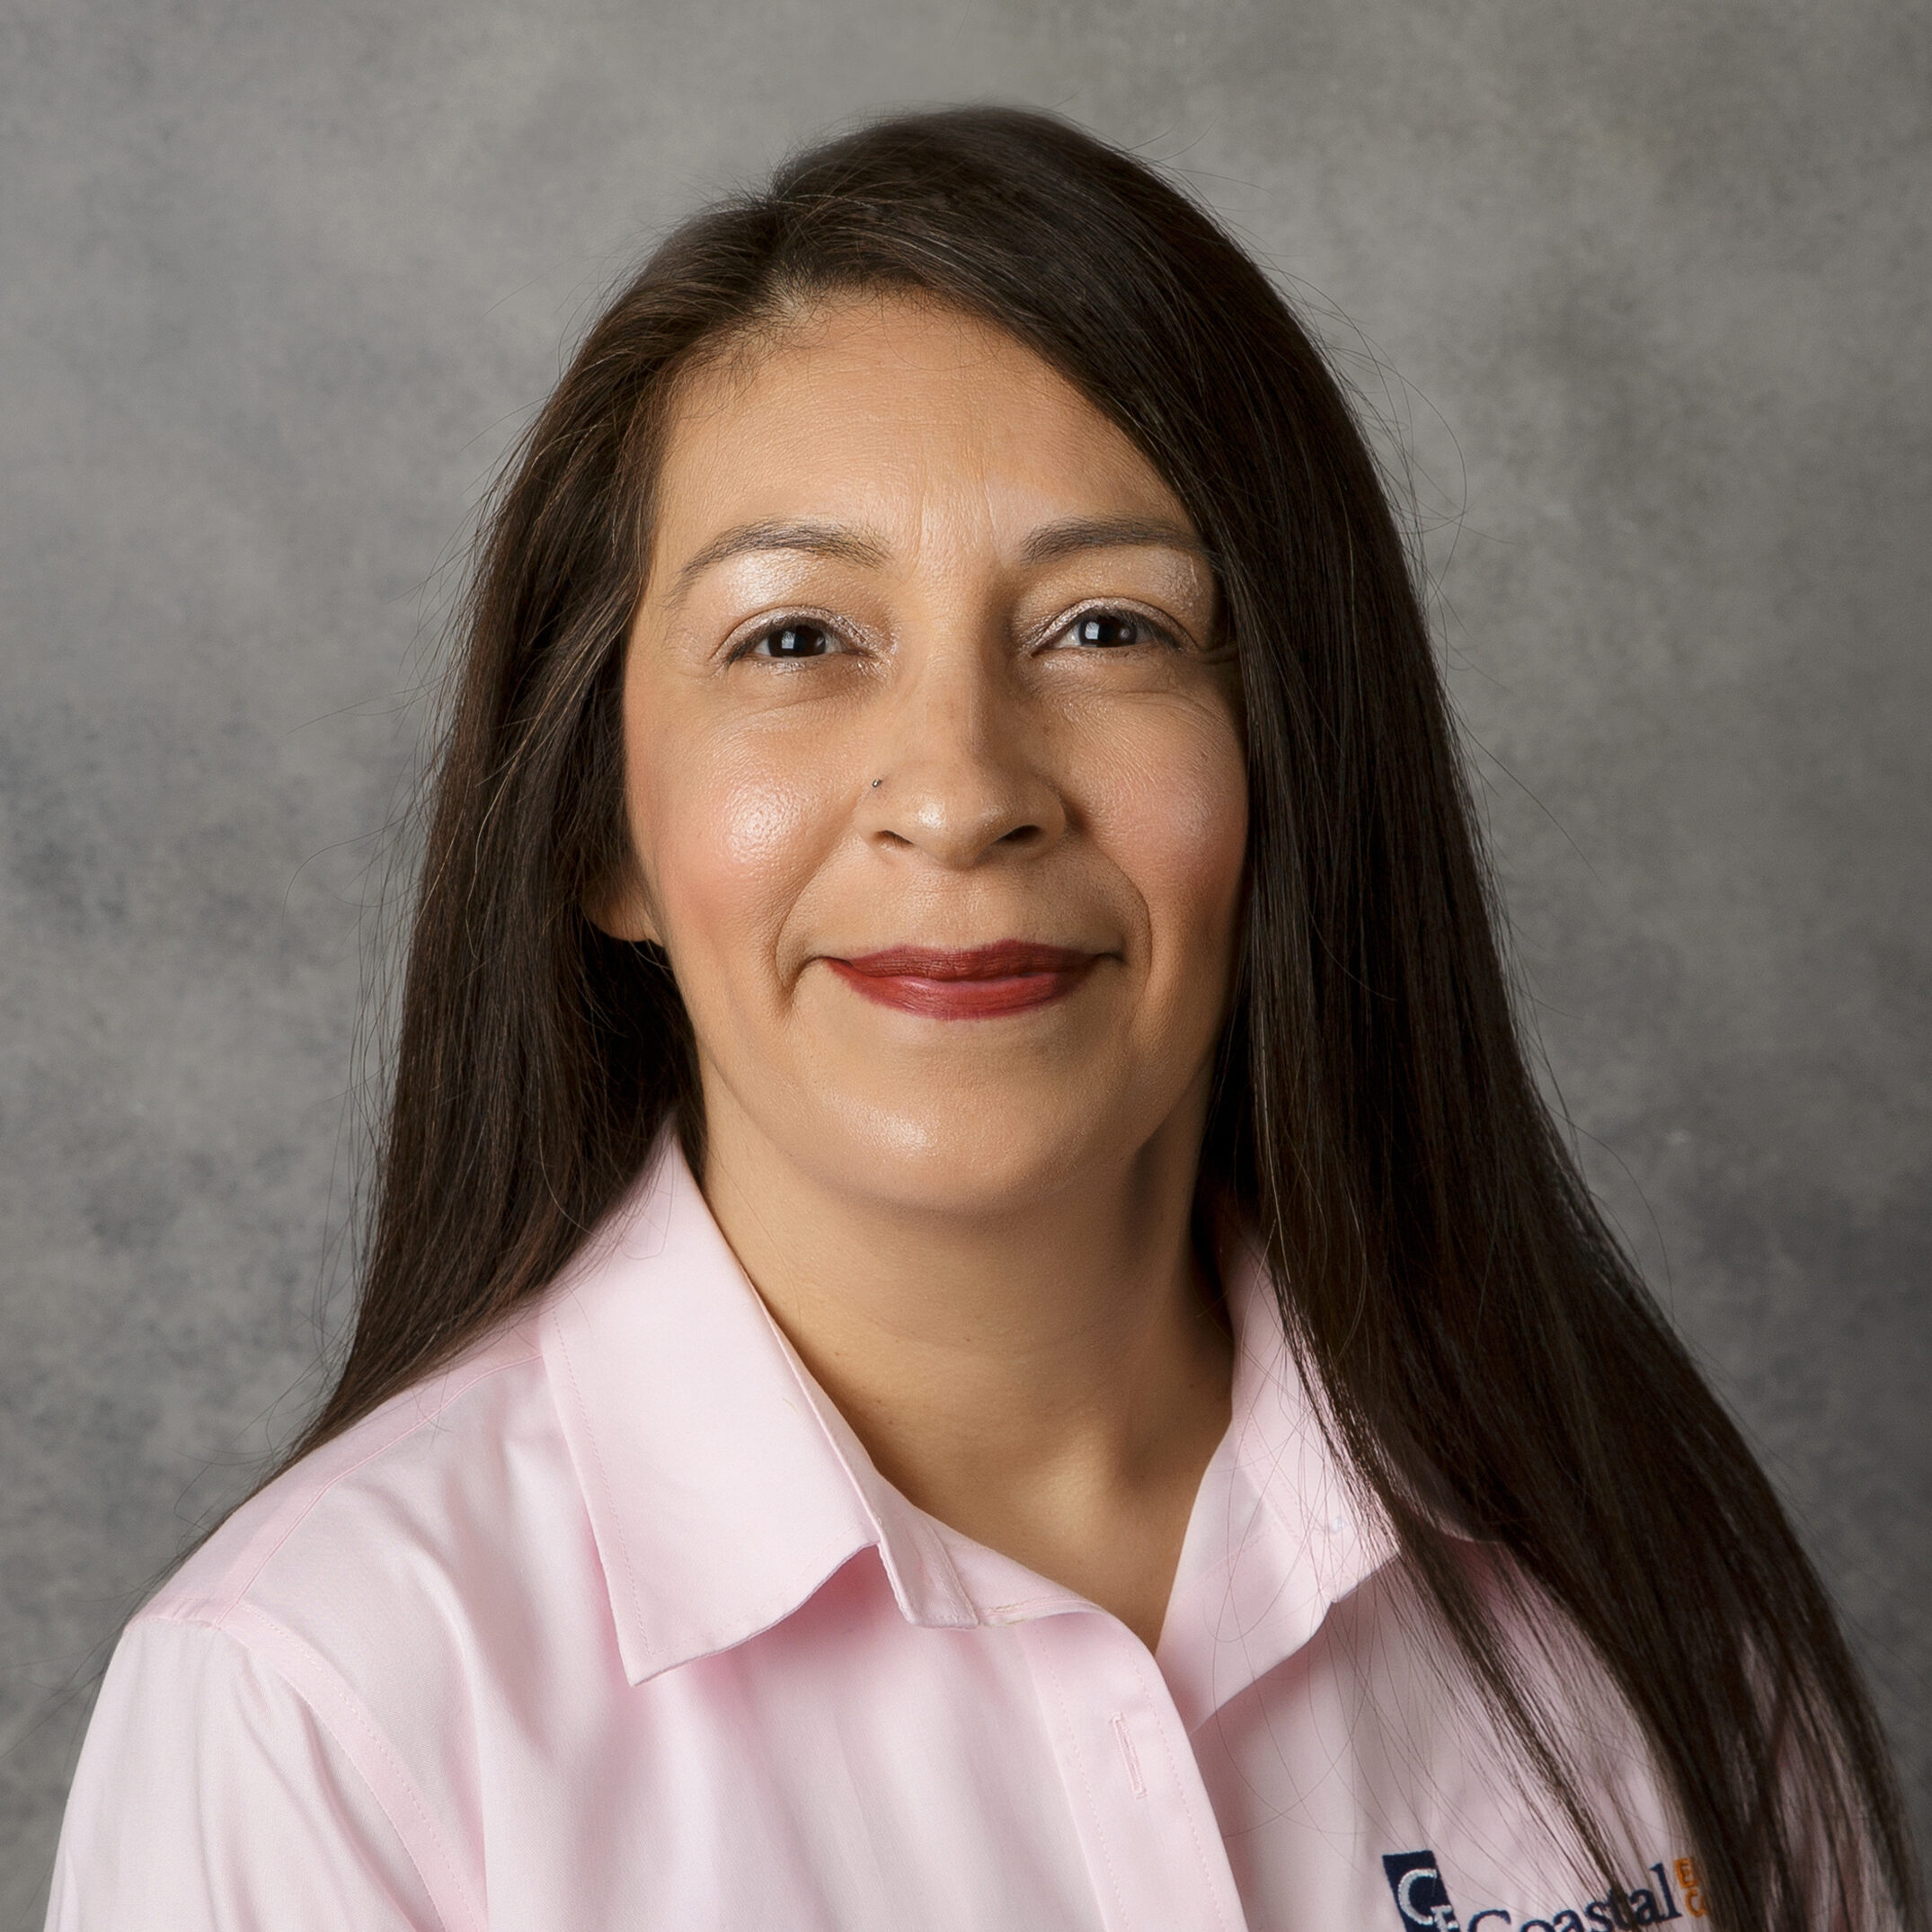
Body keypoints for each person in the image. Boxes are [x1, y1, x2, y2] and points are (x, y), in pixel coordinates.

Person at [45, 107, 1919, 1932]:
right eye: (794, 639)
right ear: (600, 831)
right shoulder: (318, 1705)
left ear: (1297, 773)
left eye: (1107, 628)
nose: (958, 793)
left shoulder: (1625, 1574)